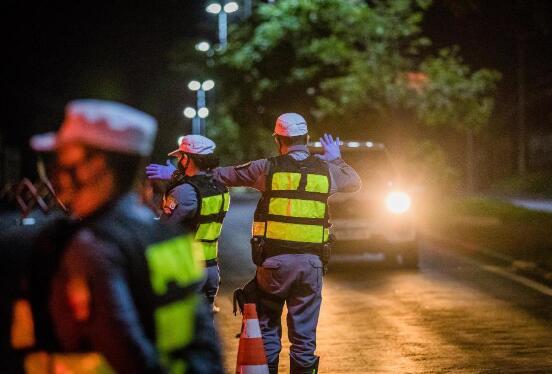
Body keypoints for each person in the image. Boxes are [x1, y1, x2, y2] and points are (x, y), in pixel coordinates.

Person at [19, 99, 224, 373]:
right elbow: (207, 345)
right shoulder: (170, 237)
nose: (55, 171)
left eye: (64, 157)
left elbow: (128, 353)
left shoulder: (90, 246)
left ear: (95, 165)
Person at [147, 113, 361, 374]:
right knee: (304, 339)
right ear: (306, 139)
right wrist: (335, 156)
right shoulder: (326, 170)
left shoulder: (266, 167)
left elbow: (219, 176)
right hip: (312, 265)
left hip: (274, 265)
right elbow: (354, 182)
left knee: (268, 328)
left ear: (278, 139)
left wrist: (174, 174)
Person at [158, 135, 230, 313]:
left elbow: (165, 228)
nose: (178, 162)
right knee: (204, 327)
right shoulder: (221, 188)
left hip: (189, 270)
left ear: (187, 159)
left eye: (180, 157)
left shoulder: (184, 191)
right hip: (212, 269)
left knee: (182, 329)